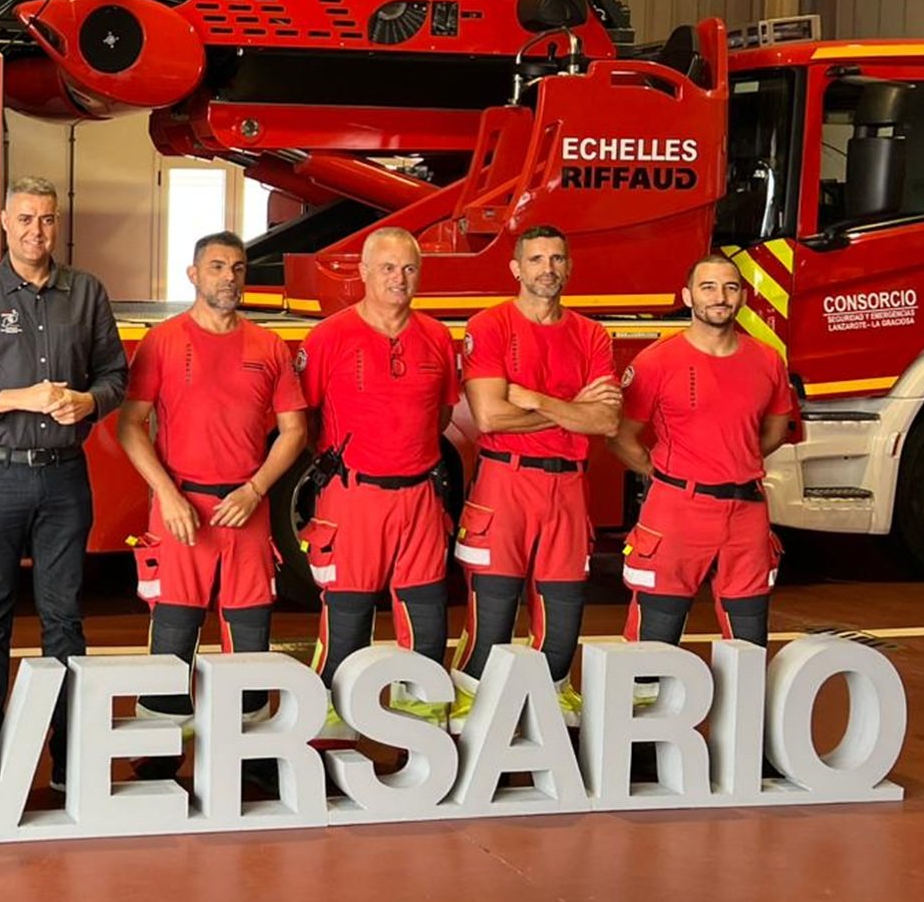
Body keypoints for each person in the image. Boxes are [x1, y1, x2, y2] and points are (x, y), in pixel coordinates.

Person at [0, 176, 128, 787]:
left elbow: (115, 376)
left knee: (64, 619)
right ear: (3, 224)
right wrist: (18, 398)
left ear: (56, 225)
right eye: (25, 219)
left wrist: (87, 403)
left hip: (66, 479)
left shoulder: (86, 293)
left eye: (46, 220)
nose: (35, 231)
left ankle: (69, 762)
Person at [116, 230, 306, 773]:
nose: (229, 277)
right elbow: (131, 426)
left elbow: (294, 430)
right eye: (217, 267)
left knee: (250, 638)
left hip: (246, 511)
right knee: (174, 633)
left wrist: (255, 489)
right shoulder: (163, 341)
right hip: (183, 511)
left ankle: (249, 756)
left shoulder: (270, 346)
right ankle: (158, 752)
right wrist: (167, 495)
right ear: (193, 275)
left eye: (238, 268)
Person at [450, 226, 620, 723]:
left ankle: (549, 723)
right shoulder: (491, 325)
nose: (548, 268)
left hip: (568, 486)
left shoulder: (592, 334)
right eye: (537, 259)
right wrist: (572, 410)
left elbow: (606, 421)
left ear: (569, 266)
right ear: (516, 269)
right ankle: (470, 719)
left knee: (563, 618)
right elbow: (490, 417)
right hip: (505, 483)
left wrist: (538, 400)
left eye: (557, 258)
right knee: (493, 618)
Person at [297, 226, 460, 725]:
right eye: (387, 268)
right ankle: (329, 735)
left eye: (409, 268)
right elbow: (304, 419)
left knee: (428, 620)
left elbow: (441, 417)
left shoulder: (436, 336)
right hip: (352, 497)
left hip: (420, 498)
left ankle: (424, 737)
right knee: (346, 621)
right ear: (363, 272)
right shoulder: (328, 337)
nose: (399, 278)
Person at [612, 255, 796, 648]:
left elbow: (777, 429)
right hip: (677, 508)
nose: (720, 297)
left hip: (747, 512)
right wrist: (662, 473)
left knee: (749, 638)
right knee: (654, 637)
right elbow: (620, 435)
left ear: (743, 297)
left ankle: (741, 710)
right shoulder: (657, 361)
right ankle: (642, 703)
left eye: (730, 287)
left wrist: (734, 460)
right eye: (708, 287)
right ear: (688, 296)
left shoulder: (767, 359)